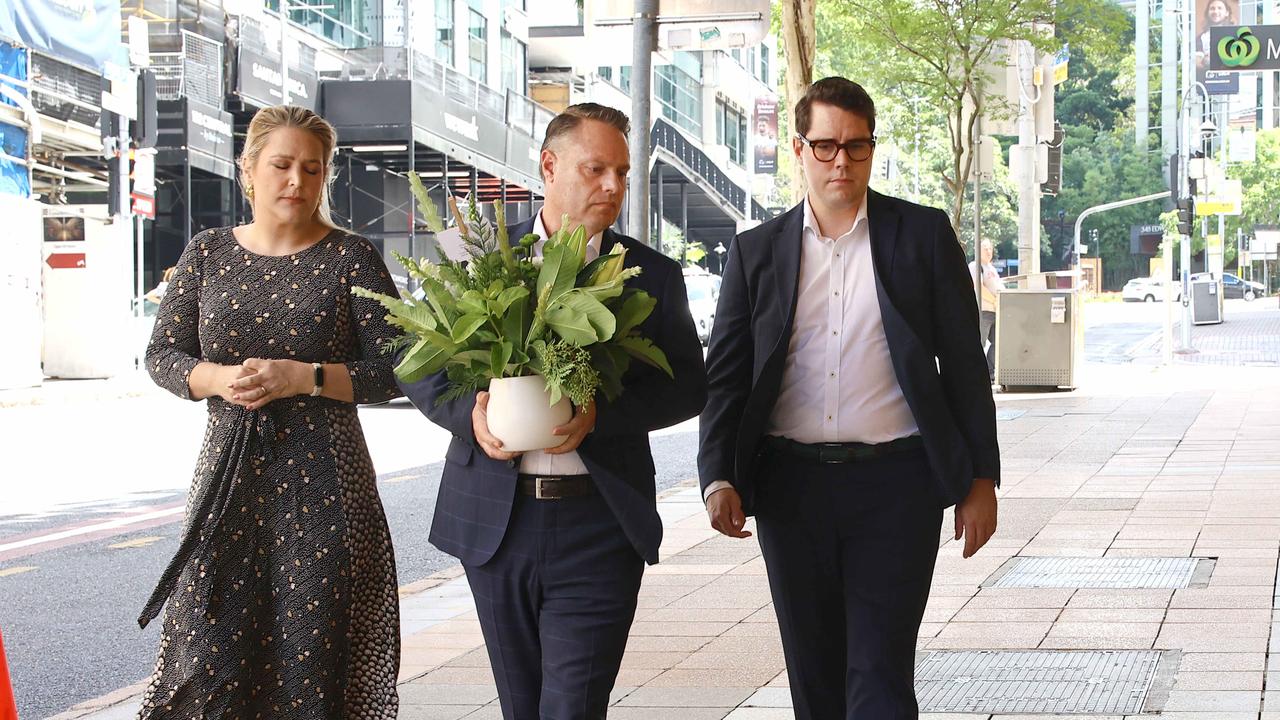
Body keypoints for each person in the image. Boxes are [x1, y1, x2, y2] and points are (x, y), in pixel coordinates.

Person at [698, 77, 1000, 718]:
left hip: (897, 485)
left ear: (871, 149)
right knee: (815, 677)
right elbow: (726, 377)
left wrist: (980, 478)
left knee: (880, 674)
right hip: (790, 488)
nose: (843, 161)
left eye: (857, 147)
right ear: (799, 148)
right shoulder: (756, 253)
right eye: (827, 146)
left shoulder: (920, 236)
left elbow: (965, 367)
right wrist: (718, 475)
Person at [399, 103, 707, 720]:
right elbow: (420, 367)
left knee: (572, 708)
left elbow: (687, 389)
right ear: (549, 165)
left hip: (600, 522)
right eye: (596, 169)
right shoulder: (475, 257)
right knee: (521, 707)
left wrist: (601, 414)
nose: (613, 186)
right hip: (497, 522)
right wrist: (474, 417)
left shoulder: (653, 274)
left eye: (621, 172)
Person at [138, 105, 403, 719]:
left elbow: (398, 369)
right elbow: (161, 356)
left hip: (327, 492)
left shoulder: (351, 258)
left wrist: (303, 377)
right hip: (226, 488)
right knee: (206, 654)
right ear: (248, 170)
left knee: (310, 662)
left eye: (313, 170)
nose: (296, 181)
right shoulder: (206, 254)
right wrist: (219, 379)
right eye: (282, 165)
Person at [968, 240, 1003, 382]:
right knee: (979, 342)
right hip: (984, 310)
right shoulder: (975, 266)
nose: (989, 251)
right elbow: (979, 287)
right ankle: (975, 372)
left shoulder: (991, 268)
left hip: (996, 311)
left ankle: (989, 370)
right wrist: (995, 300)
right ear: (977, 250)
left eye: (990, 248)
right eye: (985, 248)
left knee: (999, 342)